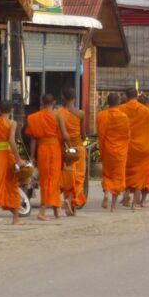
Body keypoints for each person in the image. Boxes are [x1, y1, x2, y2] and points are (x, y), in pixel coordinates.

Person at [25, 93, 68, 220]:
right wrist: (70, 146)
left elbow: (33, 138)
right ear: (54, 102)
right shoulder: (57, 115)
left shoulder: (34, 117)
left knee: (45, 180)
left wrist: (32, 156)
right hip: (54, 148)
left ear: (42, 102)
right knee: (53, 179)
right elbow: (65, 135)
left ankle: (56, 208)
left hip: (42, 149)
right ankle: (42, 211)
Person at [120, 88, 149, 210]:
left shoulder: (121, 110)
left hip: (127, 147)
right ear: (136, 96)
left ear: (126, 95)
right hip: (142, 148)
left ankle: (125, 194)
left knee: (126, 173)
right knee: (139, 177)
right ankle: (134, 204)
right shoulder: (145, 110)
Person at [96, 93, 130, 212]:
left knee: (107, 174)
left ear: (107, 102)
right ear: (119, 102)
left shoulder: (102, 115)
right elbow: (127, 136)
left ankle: (106, 194)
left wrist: (102, 151)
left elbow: (101, 135)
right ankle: (113, 206)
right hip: (120, 151)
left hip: (108, 149)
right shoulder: (124, 117)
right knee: (118, 176)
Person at [59, 87, 86, 216]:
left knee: (69, 178)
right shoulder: (80, 113)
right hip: (78, 149)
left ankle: (71, 205)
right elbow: (83, 134)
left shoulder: (59, 113)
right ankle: (70, 200)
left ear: (63, 98)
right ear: (75, 98)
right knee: (79, 178)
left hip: (65, 150)